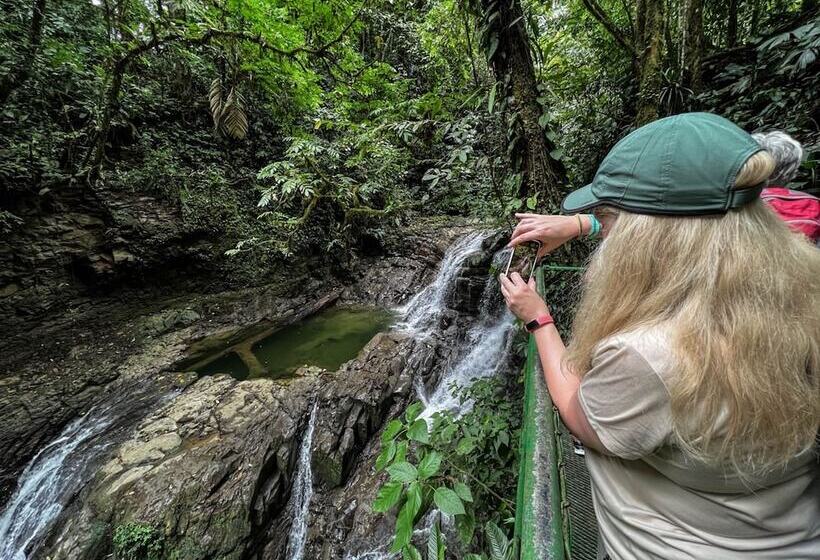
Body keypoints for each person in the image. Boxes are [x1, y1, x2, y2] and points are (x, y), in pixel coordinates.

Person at [499, 112, 820, 560]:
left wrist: (539, 320)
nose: (602, 228)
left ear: (647, 238)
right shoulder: (801, 293)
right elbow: (697, 225)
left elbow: (580, 418)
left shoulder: (648, 353)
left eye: (607, 217)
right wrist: (578, 226)